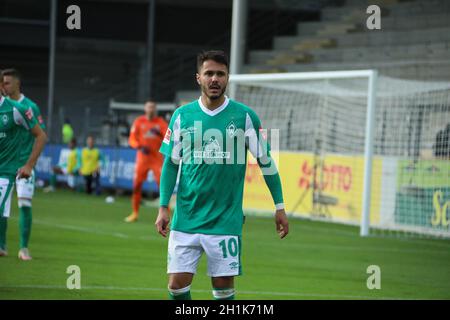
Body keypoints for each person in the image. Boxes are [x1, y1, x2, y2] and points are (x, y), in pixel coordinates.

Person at [154, 50, 289, 300]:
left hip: (225, 220)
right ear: (198, 78)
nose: (214, 79)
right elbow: (171, 165)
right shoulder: (182, 116)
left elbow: (266, 163)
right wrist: (163, 206)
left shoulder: (244, 117)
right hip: (186, 217)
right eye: (209, 74)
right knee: (176, 286)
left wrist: (279, 205)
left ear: (228, 78)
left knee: (223, 289)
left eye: (220, 74)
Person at [0, 73, 47, 258]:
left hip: (21, 165)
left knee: (24, 203)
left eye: (8, 82)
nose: (7, 85)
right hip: (6, 165)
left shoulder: (25, 108)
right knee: (3, 209)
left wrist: (30, 164)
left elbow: (40, 134)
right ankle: (2, 245)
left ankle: (23, 248)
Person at [124, 100, 168, 222]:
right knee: (137, 185)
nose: (151, 109)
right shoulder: (139, 121)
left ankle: (167, 214)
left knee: (163, 186)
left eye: (153, 107)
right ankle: (135, 213)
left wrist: (159, 134)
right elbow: (132, 139)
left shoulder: (161, 123)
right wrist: (139, 146)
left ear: (155, 109)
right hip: (142, 159)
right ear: (145, 108)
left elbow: (168, 138)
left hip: (156, 159)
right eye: (149, 107)